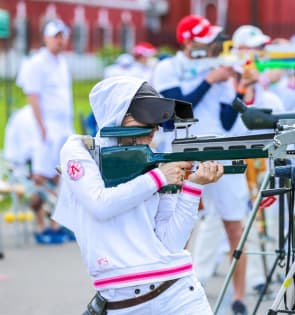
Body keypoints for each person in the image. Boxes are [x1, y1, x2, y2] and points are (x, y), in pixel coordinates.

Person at [53, 76, 224, 315]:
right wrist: (158, 179)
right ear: (118, 113)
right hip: (122, 303)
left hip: (180, 293)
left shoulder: (154, 161)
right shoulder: (80, 150)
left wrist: (193, 187)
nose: (154, 130)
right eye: (146, 118)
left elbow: (171, 244)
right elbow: (100, 204)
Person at [152, 15, 250, 315]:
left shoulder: (220, 68)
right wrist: (209, 81)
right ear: (188, 42)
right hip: (182, 148)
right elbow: (174, 111)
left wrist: (241, 87)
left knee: (235, 226)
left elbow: (227, 120)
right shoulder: (169, 67)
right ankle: (170, 293)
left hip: (219, 148)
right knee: (177, 224)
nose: (211, 45)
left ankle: (239, 297)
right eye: (204, 39)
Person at [16, 18, 74, 244]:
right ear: (45, 37)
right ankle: (40, 225)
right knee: (39, 178)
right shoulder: (36, 63)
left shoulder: (62, 62)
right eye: (55, 36)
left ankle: (56, 224)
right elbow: (33, 96)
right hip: (46, 128)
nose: (60, 40)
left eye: (62, 36)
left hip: (63, 127)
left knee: (65, 176)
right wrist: (41, 128)